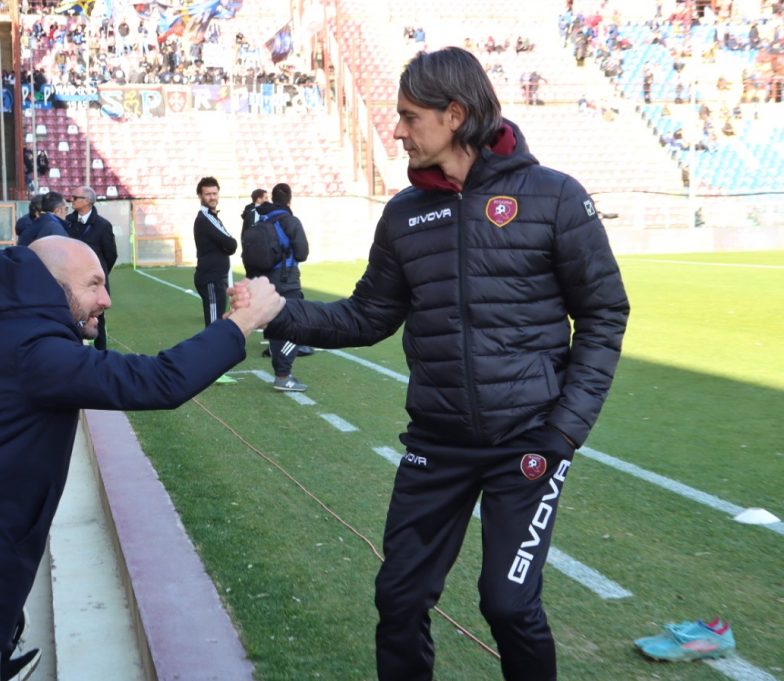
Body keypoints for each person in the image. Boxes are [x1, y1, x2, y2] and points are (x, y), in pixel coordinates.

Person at [231, 47, 628, 681]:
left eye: (409, 117)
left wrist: (563, 431)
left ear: (454, 115)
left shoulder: (554, 197)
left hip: (527, 442)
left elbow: (605, 314)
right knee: (400, 598)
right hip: (436, 444)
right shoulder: (404, 215)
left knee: (508, 605)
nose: (396, 130)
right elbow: (365, 317)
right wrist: (276, 311)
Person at [0, 237, 284, 680]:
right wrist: (241, 321)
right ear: (51, 287)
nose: (105, 298)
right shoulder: (34, 352)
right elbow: (158, 381)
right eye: (93, 284)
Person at [250, 183, 310, 392]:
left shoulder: (261, 219)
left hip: (266, 281)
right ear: (289, 200)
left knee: (276, 326)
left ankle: (280, 373)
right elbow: (302, 253)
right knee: (297, 326)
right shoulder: (290, 221)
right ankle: (283, 375)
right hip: (287, 280)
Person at [65, 186, 118, 350]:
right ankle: (74, 352)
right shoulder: (67, 222)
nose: (71, 200)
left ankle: (102, 355)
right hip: (71, 281)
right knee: (70, 317)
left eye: (75, 198)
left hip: (94, 284)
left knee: (97, 319)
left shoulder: (103, 225)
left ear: (87, 201)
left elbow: (111, 255)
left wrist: (98, 276)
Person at [192, 177, 237, 328]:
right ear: (200, 196)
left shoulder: (213, 217)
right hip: (210, 279)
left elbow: (228, 244)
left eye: (214, 193)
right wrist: (227, 246)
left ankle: (215, 350)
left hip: (217, 278)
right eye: (208, 194)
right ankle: (209, 351)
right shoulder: (205, 218)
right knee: (213, 325)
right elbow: (231, 244)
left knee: (218, 322)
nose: (212, 197)